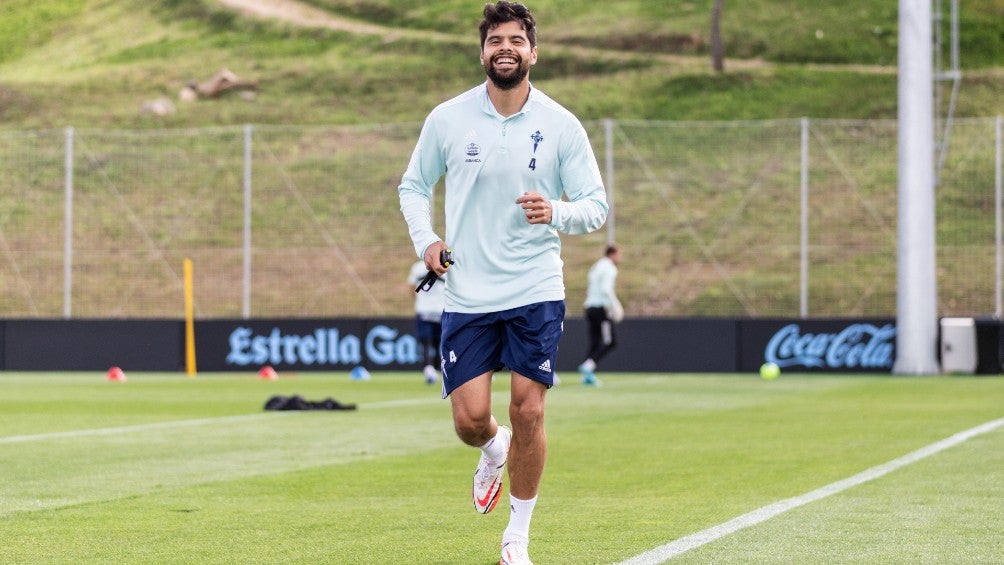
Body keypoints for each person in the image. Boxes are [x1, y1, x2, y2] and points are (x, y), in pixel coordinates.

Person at [397, 2, 608, 563]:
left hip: (536, 287)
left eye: (517, 39)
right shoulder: (447, 118)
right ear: (484, 51)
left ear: (533, 52)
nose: (506, 48)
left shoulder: (562, 125)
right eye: (496, 40)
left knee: (528, 410)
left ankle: (517, 536)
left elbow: (596, 207)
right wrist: (428, 241)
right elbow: (413, 186)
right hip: (467, 292)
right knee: (470, 420)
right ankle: (493, 450)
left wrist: (556, 212)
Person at [578, 244, 623, 386]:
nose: (620, 258)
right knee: (610, 341)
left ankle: (586, 376)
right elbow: (606, 289)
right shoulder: (610, 268)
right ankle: (588, 366)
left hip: (589, 307)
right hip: (601, 309)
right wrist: (615, 304)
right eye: (619, 254)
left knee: (595, 342)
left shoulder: (597, 266)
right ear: (613, 254)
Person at [408, 259, 446, 384]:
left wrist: (419, 300)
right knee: (437, 341)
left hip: (424, 309)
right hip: (441, 310)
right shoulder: (445, 267)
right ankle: (434, 368)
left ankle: (429, 368)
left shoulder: (417, 267)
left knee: (426, 341)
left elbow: (411, 287)